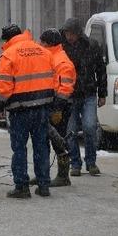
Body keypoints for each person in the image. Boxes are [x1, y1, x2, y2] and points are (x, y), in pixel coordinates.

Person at [0, 24, 56, 199]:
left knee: (19, 148)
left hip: (20, 109)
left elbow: (5, 87)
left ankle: (22, 186)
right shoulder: (43, 51)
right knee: (41, 147)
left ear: (7, 40)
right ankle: (44, 185)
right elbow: (54, 76)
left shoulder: (9, 55)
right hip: (43, 107)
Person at [61, 17, 107, 177]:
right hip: (69, 96)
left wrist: (102, 94)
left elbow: (101, 70)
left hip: (88, 94)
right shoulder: (62, 48)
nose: (69, 36)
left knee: (89, 127)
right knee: (70, 131)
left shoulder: (91, 46)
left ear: (78, 33)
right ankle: (75, 163)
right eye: (67, 33)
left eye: (71, 33)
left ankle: (91, 162)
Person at [33, 28, 76, 187]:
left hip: (60, 107)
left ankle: (63, 175)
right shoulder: (51, 58)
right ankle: (42, 174)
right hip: (50, 104)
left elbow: (65, 89)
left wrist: (57, 109)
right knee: (43, 141)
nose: (39, 44)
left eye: (42, 42)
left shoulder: (62, 62)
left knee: (59, 141)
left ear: (49, 44)